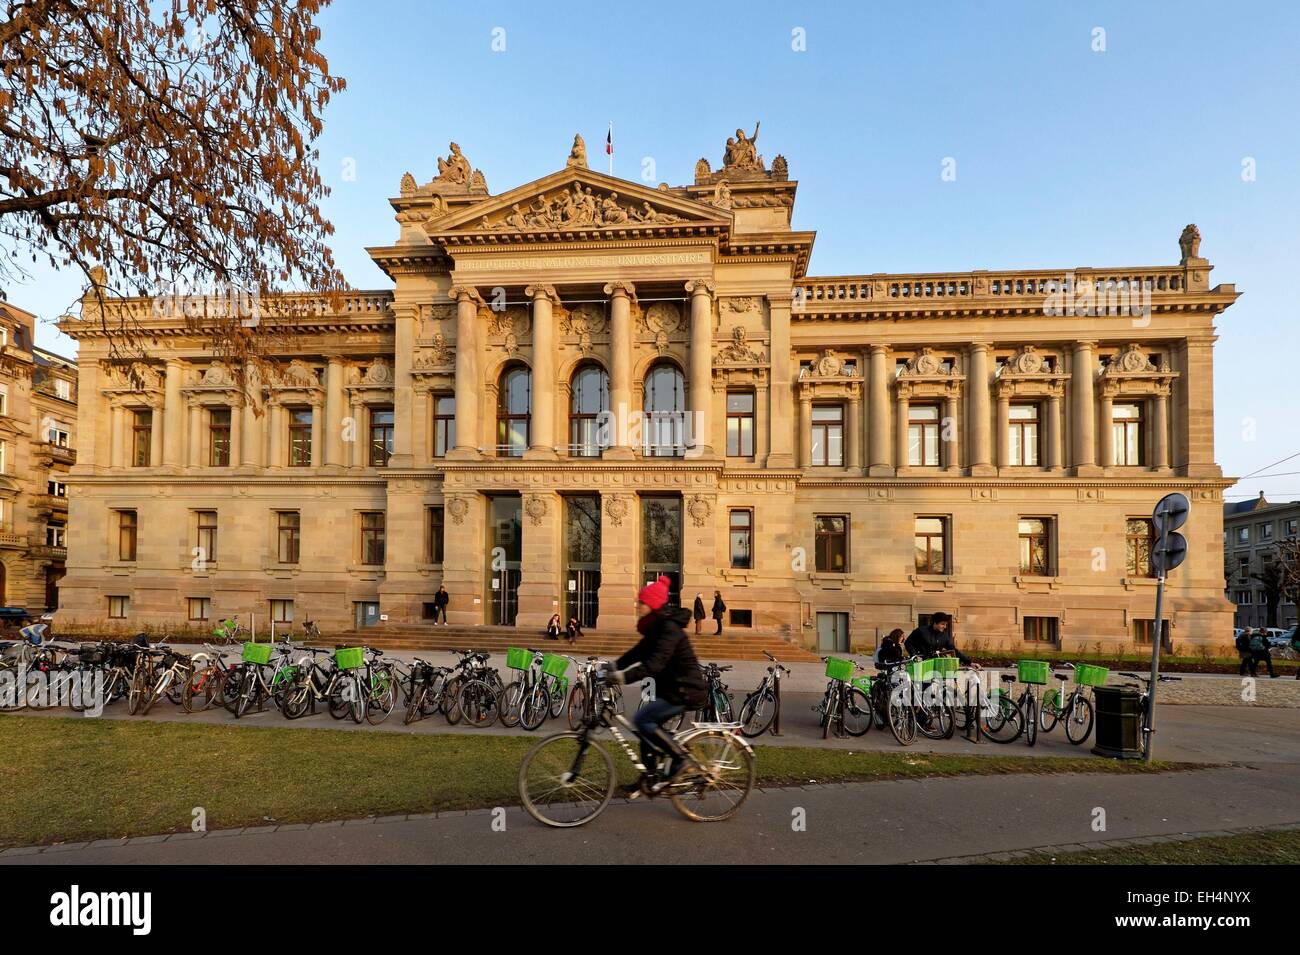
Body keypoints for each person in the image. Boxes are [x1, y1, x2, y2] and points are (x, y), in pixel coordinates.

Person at [605, 575, 707, 791]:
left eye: (642, 602)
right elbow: (638, 652)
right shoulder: (656, 627)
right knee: (645, 727)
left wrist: (624, 677)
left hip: (685, 690)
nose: (638, 606)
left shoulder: (668, 628)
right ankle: (650, 778)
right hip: (671, 688)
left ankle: (681, 760)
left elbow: (655, 663)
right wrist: (614, 666)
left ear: (652, 605)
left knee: (643, 720)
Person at [904, 612, 970, 665]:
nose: (945, 627)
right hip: (920, 664)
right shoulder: (921, 631)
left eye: (946, 624)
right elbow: (908, 642)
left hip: (936, 665)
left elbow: (954, 650)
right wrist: (914, 655)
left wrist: (969, 662)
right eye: (942, 624)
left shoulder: (944, 636)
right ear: (935, 623)